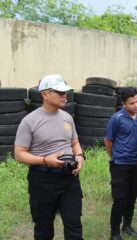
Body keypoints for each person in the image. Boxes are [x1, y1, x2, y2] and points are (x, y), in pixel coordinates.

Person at [14, 74, 85, 240]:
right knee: (43, 230)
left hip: (69, 179)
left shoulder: (67, 117)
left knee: (74, 227)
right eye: (59, 92)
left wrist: (80, 156)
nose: (64, 95)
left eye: (65, 92)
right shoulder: (29, 121)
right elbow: (19, 154)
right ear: (45, 94)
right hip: (42, 180)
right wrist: (45, 160)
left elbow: (75, 143)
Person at [104, 87, 137, 240]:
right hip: (120, 164)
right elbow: (108, 141)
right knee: (120, 199)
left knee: (132, 197)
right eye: (131, 103)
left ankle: (127, 225)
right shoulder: (117, 118)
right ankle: (114, 233)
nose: (136, 105)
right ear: (124, 104)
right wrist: (115, 157)